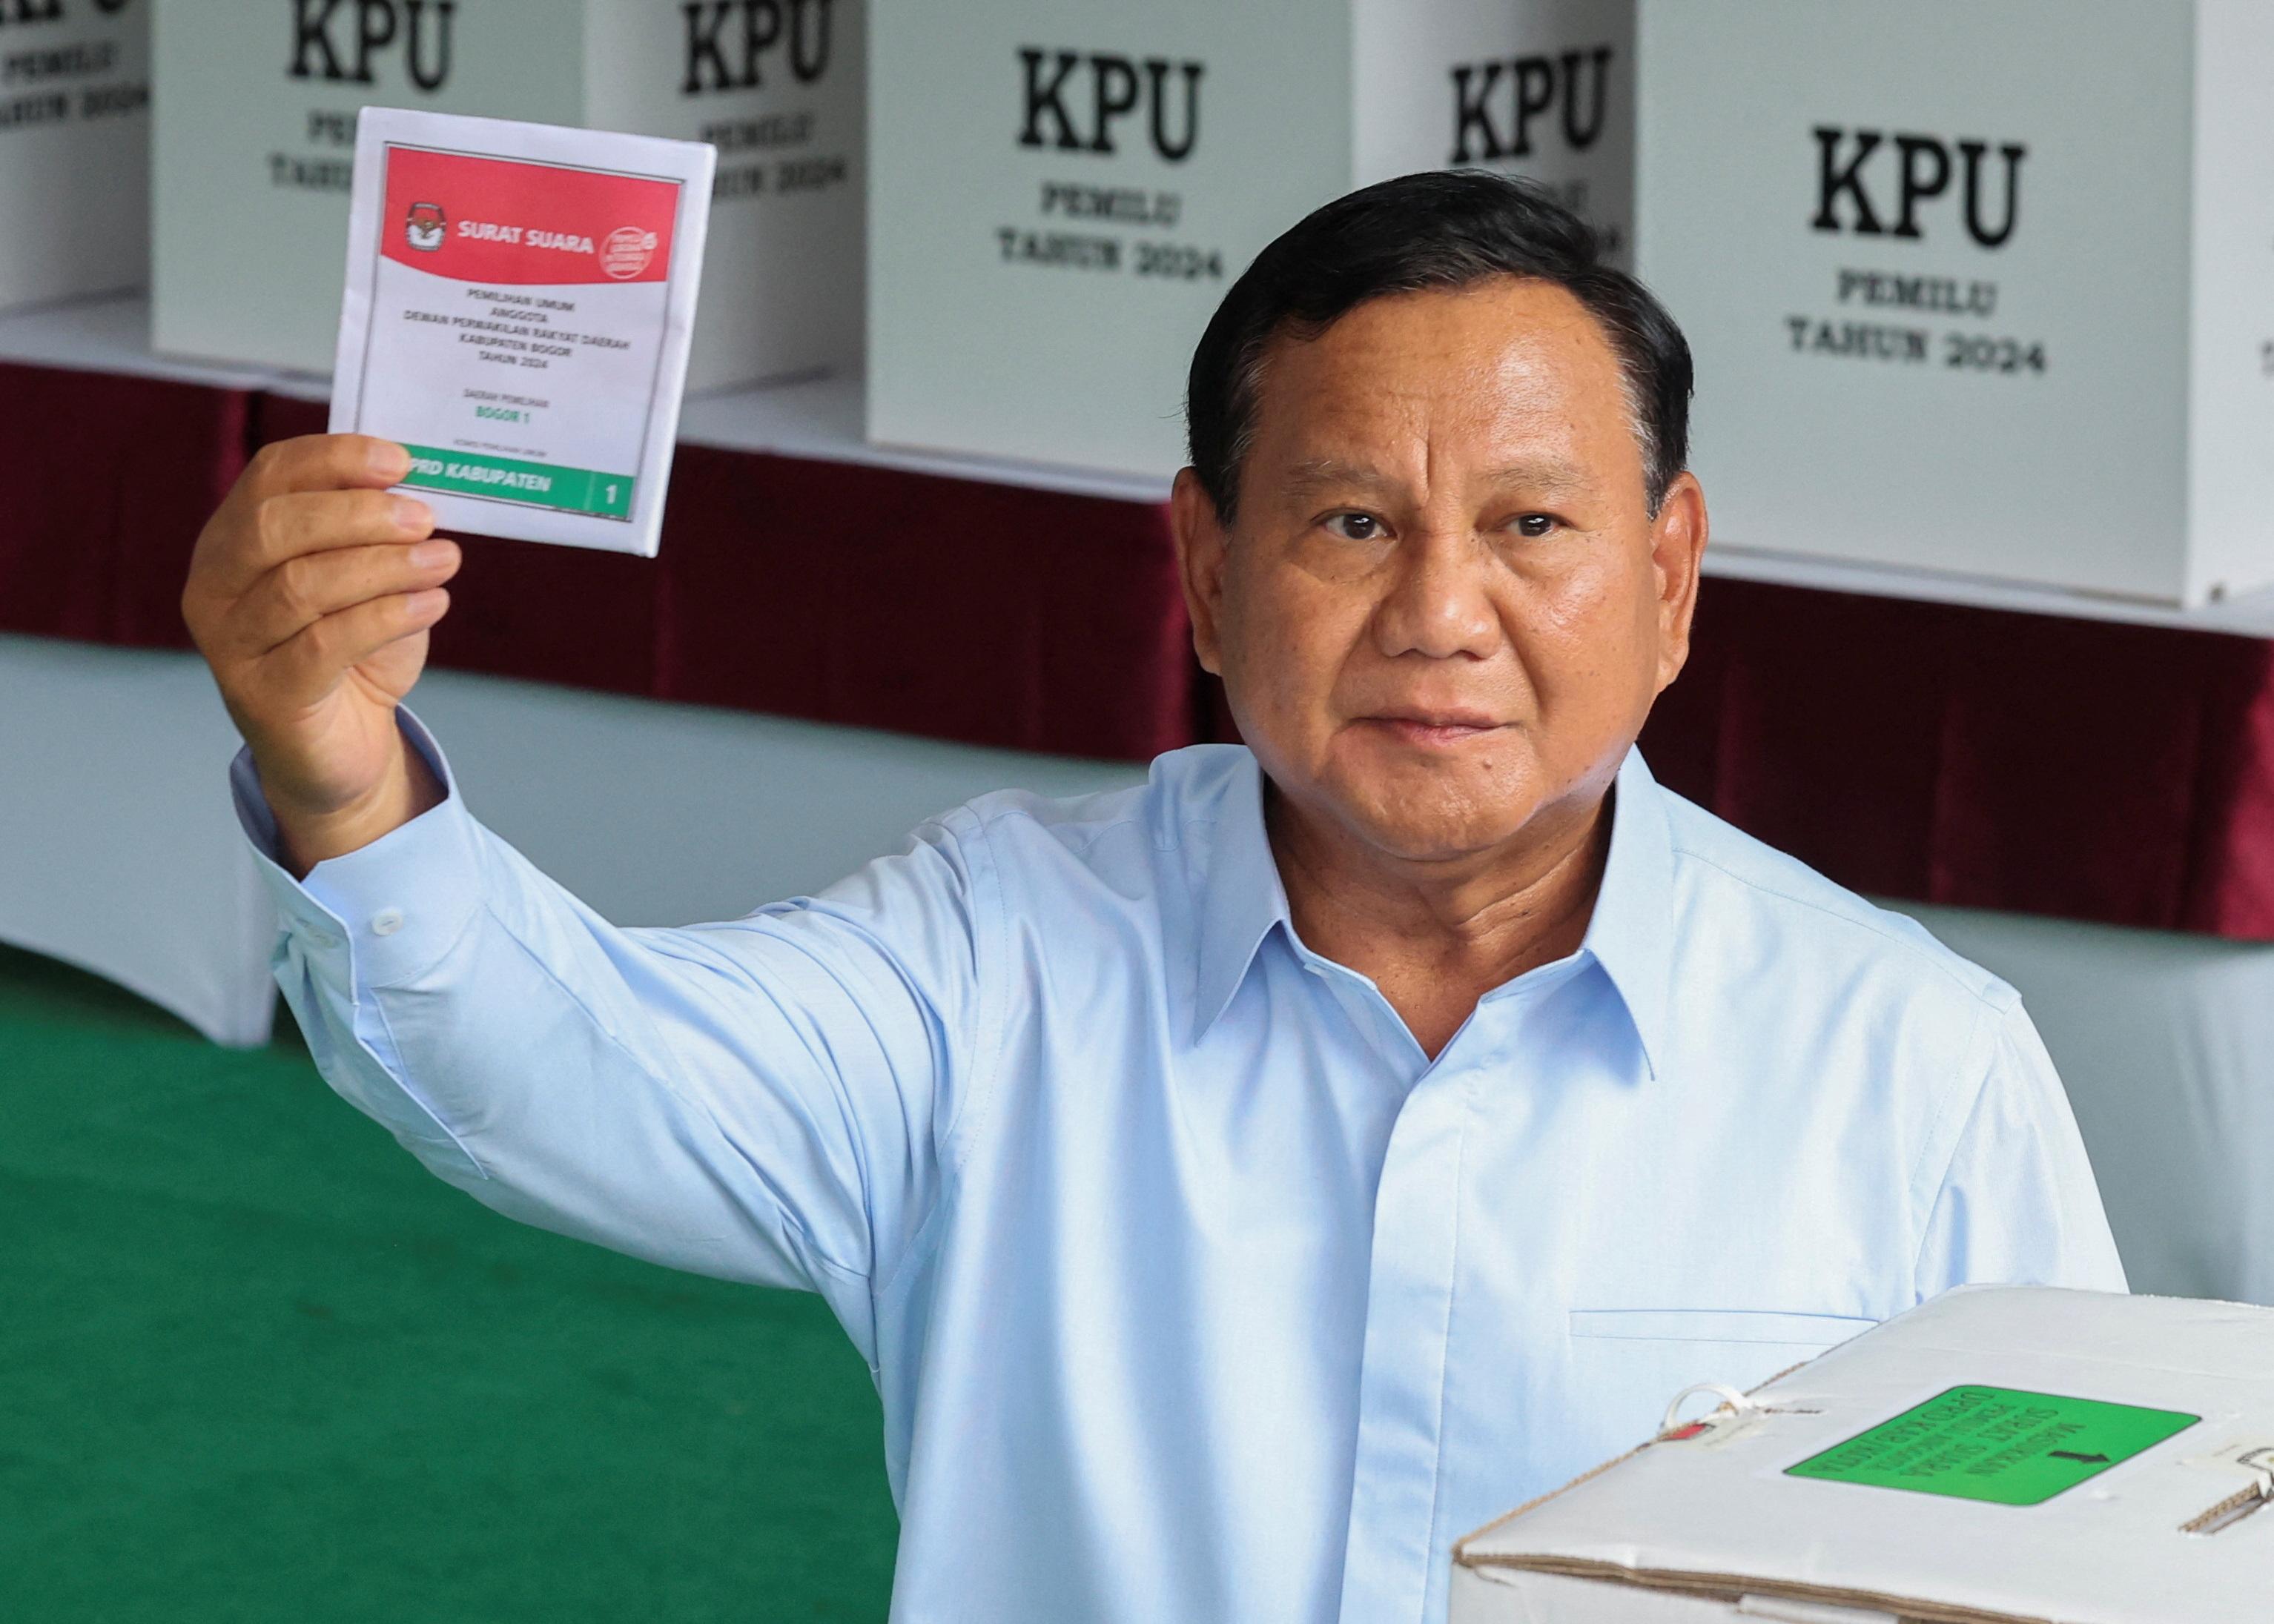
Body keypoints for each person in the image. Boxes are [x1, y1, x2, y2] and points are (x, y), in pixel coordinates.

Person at [182, 172, 2123, 1624]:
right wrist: (343, 780)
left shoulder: (1909, 1067)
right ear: (1202, 574)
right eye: (1352, 521)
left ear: (1671, 577)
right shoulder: (997, 960)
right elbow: (566, 1069)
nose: (1440, 614)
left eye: (1530, 524)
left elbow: (2086, 1573)